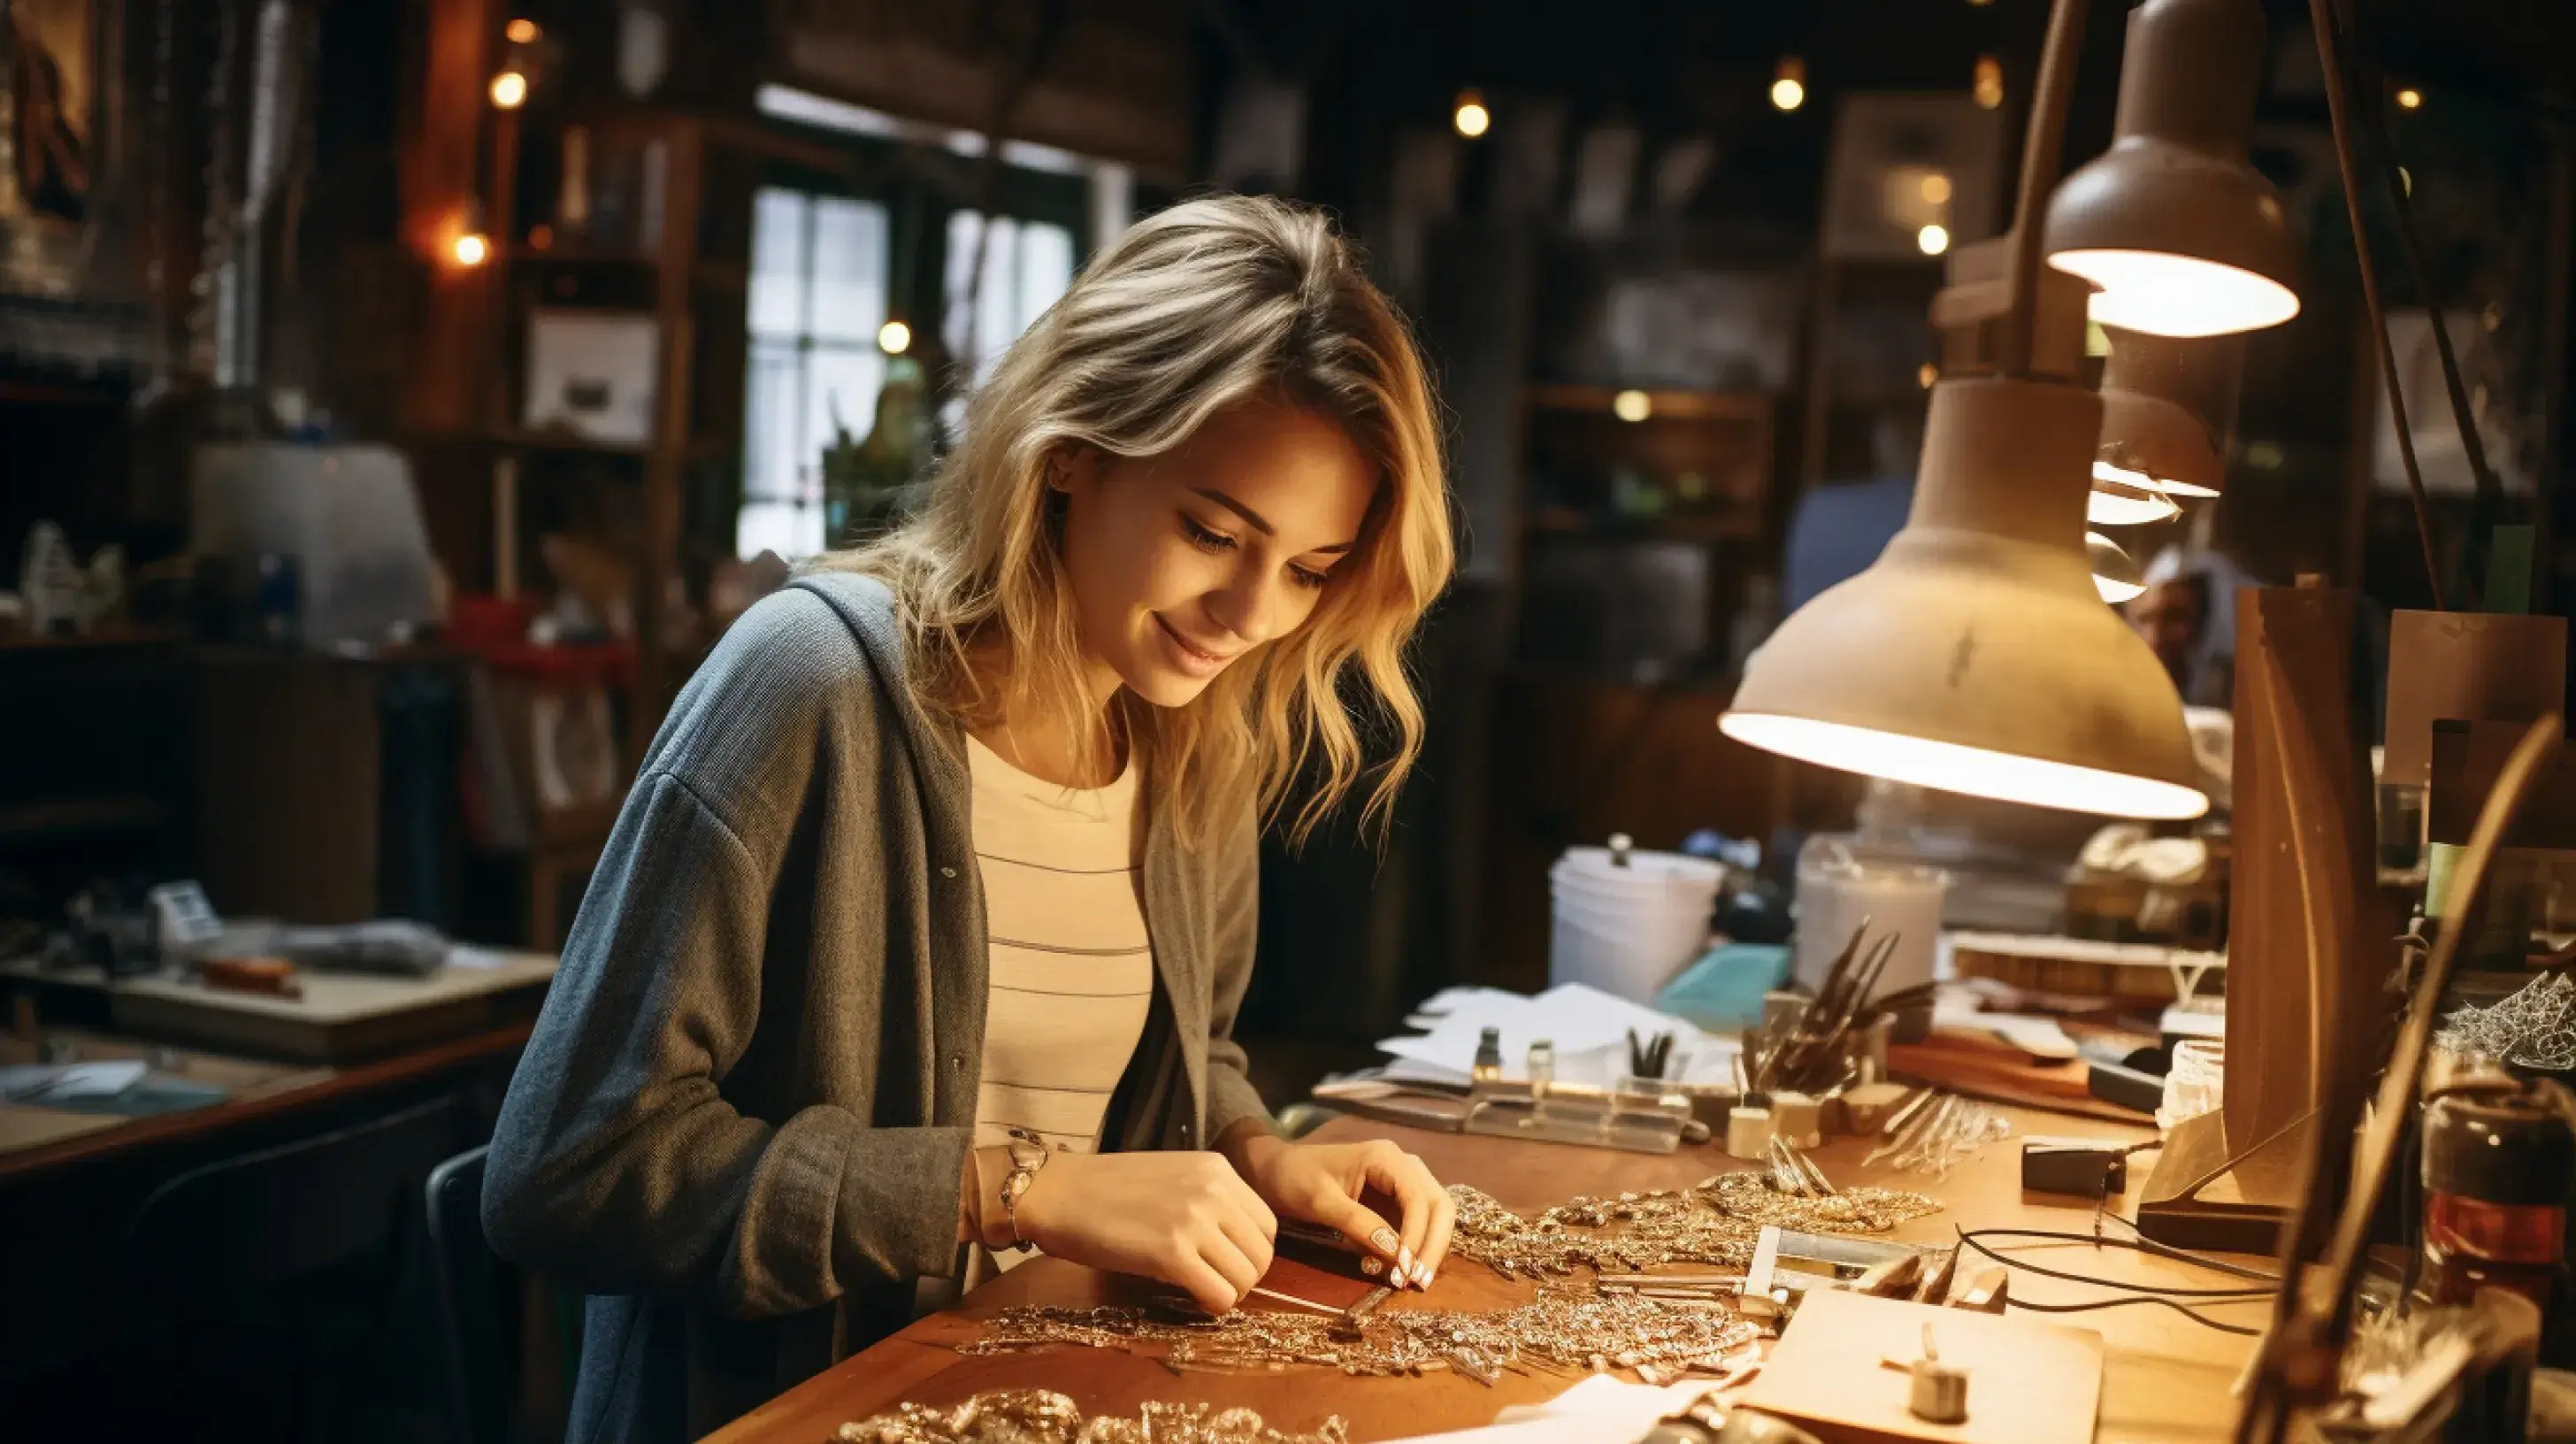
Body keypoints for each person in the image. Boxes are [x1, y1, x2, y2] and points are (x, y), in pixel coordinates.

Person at [482, 196, 1460, 1443]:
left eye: (1312, 570)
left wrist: (1259, 1151)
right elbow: (564, 1172)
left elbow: (1184, 1055)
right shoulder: (808, 689)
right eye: (1213, 532)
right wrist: (1014, 1192)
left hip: (1065, 1400)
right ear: (1071, 453)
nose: (1251, 614)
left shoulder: (1194, 741)